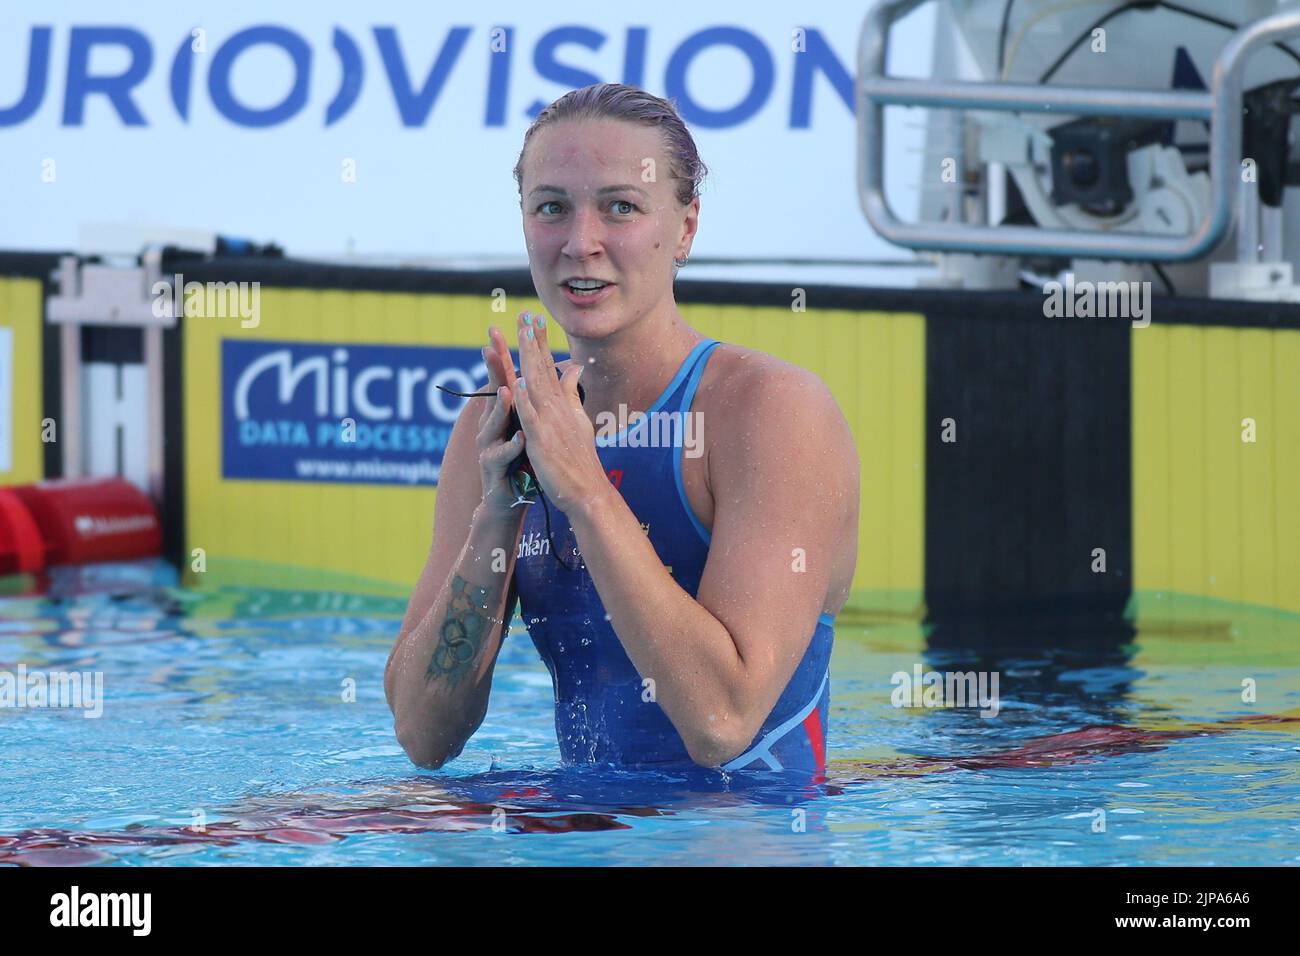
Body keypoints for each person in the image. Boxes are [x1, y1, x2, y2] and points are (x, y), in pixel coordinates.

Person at [385, 83, 859, 773]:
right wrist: (498, 513)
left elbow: (722, 723)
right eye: (552, 208)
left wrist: (585, 489)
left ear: (686, 227)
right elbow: (423, 736)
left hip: (741, 836)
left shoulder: (772, 414)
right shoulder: (499, 420)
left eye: (621, 208)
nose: (582, 244)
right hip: (584, 827)